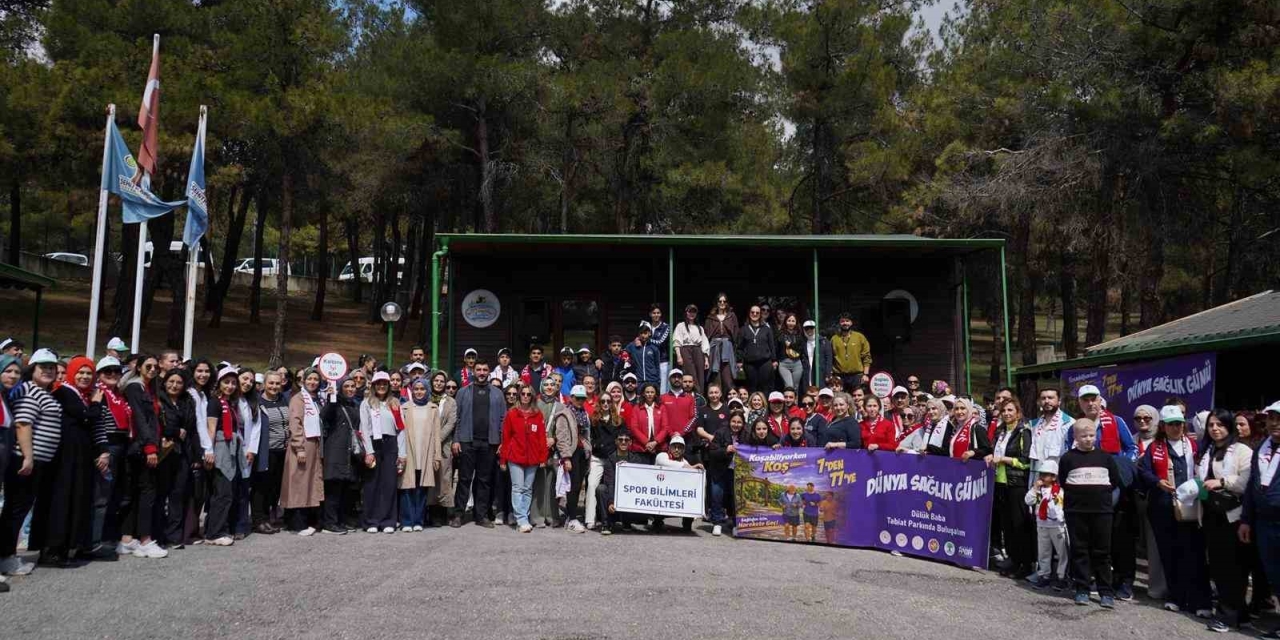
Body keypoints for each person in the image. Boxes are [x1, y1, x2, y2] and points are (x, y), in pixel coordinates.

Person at [1137, 405, 1211, 617]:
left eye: (1179, 423)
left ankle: (1200, 601)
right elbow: (1143, 471)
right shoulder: (1155, 447)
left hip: (1191, 507)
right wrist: (1158, 481)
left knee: (1194, 555)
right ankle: (1176, 596)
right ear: (1163, 426)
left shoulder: (1194, 445)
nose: (1176, 428)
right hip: (1163, 507)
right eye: (1171, 424)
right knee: (1169, 554)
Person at [40, 356, 107, 564]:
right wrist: (96, 404)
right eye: (81, 372)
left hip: (79, 457)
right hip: (65, 457)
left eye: (89, 373)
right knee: (62, 500)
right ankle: (53, 549)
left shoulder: (82, 395)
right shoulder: (65, 392)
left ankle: (67, 546)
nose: (85, 377)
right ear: (71, 373)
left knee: (75, 499)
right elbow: (84, 415)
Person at [1194, 409, 1253, 632]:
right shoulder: (1208, 450)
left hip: (1234, 517)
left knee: (1232, 569)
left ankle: (1227, 616)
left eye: (1220, 424)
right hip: (1211, 515)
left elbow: (1245, 482)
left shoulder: (1242, 451)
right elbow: (1202, 482)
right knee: (1220, 567)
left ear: (1229, 426)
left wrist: (1221, 481)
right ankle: (1242, 615)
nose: (1215, 429)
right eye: (1211, 425)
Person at [1058, 418, 1122, 607]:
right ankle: (1082, 589)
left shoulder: (1106, 457)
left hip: (1102, 511)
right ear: (1075, 437)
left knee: (1102, 551)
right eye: (1083, 436)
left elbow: (1115, 480)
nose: (1088, 439)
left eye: (1091, 435)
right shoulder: (1068, 458)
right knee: (1080, 550)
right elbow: (1063, 481)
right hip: (1075, 511)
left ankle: (1105, 592)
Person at [118, 354, 168, 556]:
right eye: (149, 366)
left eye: (156, 366)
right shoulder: (134, 388)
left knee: (139, 493)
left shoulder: (150, 389)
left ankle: (129, 538)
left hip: (146, 445)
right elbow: (141, 419)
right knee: (146, 492)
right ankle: (145, 539)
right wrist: (150, 447)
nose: (153, 369)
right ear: (138, 367)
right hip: (140, 448)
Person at [1239, 401, 1280, 633]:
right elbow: (1252, 489)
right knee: (1274, 575)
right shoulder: (1262, 449)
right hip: (1263, 524)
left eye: (1279, 419)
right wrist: (1246, 519)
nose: (1275, 423)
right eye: (1271, 418)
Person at [451, 361, 505, 528]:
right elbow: (456, 418)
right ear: (473, 371)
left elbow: (503, 419)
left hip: (489, 443)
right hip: (467, 441)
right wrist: (456, 440)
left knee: (484, 480)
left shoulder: (497, 394)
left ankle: (480, 515)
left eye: (485, 370)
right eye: (478, 369)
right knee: (464, 479)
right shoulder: (463, 392)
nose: (481, 372)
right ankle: (459, 514)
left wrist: (502, 441)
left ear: (489, 372)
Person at [989, 398, 1034, 579]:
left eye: (1010, 410)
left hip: (1017, 484)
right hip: (1000, 483)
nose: (1007, 413)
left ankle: (1025, 563)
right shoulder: (1000, 431)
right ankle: (1013, 560)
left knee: (1019, 525)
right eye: (1004, 410)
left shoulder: (1023, 432)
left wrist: (1005, 460)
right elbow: (995, 453)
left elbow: (1026, 461)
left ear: (1018, 412)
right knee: (1006, 525)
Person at [498, 383, 550, 533]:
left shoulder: (537, 414)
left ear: (532, 396)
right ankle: (521, 519)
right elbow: (506, 438)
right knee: (517, 488)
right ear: (519, 395)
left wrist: (543, 458)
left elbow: (542, 438)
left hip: (533, 459)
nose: (526, 396)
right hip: (515, 457)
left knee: (527, 489)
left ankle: (522, 516)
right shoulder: (512, 414)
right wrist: (503, 459)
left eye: (529, 394)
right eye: (523, 394)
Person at [153, 368, 195, 549]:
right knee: (160, 494)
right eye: (171, 381)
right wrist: (175, 431)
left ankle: (174, 535)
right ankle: (157, 533)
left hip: (182, 453)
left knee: (178, 495)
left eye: (179, 382)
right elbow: (157, 424)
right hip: (164, 452)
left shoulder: (187, 401)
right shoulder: (158, 400)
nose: (174, 385)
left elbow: (191, 427)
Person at [205, 367, 245, 546]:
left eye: (233, 383)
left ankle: (220, 527)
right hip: (221, 447)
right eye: (226, 382)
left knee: (228, 491)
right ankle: (214, 532)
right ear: (219, 384)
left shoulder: (231, 404)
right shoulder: (215, 402)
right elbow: (211, 428)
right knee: (222, 492)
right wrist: (209, 451)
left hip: (232, 447)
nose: (230, 386)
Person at [282, 369, 325, 536]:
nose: (313, 382)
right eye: (310, 379)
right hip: (302, 444)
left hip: (314, 443)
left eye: (316, 379)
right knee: (298, 482)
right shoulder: (298, 399)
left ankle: (309, 519)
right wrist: (299, 447)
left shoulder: (316, 399)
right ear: (303, 381)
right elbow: (295, 423)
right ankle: (296, 522)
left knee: (310, 482)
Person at [359, 371, 403, 534]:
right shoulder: (366, 403)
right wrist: (369, 451)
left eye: (385, 383)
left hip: (390, 445)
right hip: (373, 445)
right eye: (379, 383)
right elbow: (364, 427)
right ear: (374, 385)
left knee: (389, 483)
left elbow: (401, 430)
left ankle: (388, 520)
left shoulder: (395, 403)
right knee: (372, 484)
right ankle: (371, 520)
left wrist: (402, 453)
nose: (382, 386)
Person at [397, 378, 441, 531]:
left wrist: (437, 456)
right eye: (416, 389)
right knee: (407, 487)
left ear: (427, 390)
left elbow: (436, 434)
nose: (419, 392)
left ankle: (418, 520)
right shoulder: (405, 408)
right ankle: (407, 521)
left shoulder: (433, 408)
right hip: (409, 451)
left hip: (426, 453)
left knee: (422, 489)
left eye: (422, 389)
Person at [319, 376, 361, 534]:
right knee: (333, 489)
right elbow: (324, 416)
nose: (350, 389)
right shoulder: (335, 404)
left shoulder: (355, 405)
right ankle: (329, 522)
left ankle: (340, 520)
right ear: (341, 388)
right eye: (347, 386)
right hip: (336, 451)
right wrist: (332, 398)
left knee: (345, 488)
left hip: (350, 452)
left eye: (353, 386)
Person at [254, 371, 290, 535]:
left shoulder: (284, 400)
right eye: (271, 383)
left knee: (276, 486)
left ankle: (271, 516)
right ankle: (259, 519)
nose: (274, 386)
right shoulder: (258, 402)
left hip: (283, 450)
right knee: (261, 486)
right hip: (266, 451)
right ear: (264, 384)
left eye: (277, 383)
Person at [1025, 460, 1069, 591]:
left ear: (1054, 477)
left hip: (1057, 525)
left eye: (1046, 475)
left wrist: (1061, 519)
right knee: (1044, 551)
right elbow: (1028, 500)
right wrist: (1034, 489)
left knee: (1062, 552)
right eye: (1041, 474)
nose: (1043, 477)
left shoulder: (1059, 491)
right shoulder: (1038, 490)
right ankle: (1044, 575)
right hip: (1042, 524)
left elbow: (1062, 507)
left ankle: (1062, 576)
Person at [553, 385, 592, 533]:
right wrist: (566, 457)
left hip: (583, 452)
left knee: (577, 485)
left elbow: (587, 434)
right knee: (573, 486)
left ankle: (571, 517)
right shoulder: (564, 414)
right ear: (571, 398)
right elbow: (561, 437)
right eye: (577, 398)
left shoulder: (584, 414)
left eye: (583, 398)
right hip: (572, 452)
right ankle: (572, 518)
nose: (580, 401)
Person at [587, 390, 627, 531]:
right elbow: (589, 437)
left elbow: (624, 438)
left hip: (612, 459)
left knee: (612, 488)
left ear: (612, 403)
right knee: (592, 485)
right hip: (597, 458)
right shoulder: (593, 419)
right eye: (603, 401)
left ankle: (615, 519)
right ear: (599, 403)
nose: (605, 404)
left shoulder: (618, 420)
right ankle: (590, 520)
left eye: (608, 401)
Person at [705, 411, 746, 537]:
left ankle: (735, 524)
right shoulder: (721, 432)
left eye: (739, 422)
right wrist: (725, 450)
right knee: (717, 495)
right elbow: (712, 452)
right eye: (734, 421)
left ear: (743, 423)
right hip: (720, 470)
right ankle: (716, 523)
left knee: (735, 498)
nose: (736, 424)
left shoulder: (747, 435)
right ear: (729, 422)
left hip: (737, 472)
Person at [596, 431, 644, 535]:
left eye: (626, 440)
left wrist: (629, 467)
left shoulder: (636, 459)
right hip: (614, 492)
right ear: (616, 442)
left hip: (628, 494)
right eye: (620, 440)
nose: (623, 442)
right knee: (601, 488)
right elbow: (610, 482)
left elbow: (639, 481)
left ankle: (627, 521)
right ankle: (606, 524)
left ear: (630, 442)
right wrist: (611, 501)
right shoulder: (610, 459)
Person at [426, 371, 457, 526]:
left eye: (441, 381)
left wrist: (436, 439)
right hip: (424, 444)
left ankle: (442, 512)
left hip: (443, 446)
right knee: (429, 478)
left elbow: (451, 423)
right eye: (436, 380)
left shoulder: (450, 402)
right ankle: (430, 513)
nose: (438, 383)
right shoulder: (424, 398)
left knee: (443, 479)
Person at [653, 434, 702, 532]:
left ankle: (687, 523)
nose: (676, 450)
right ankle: (657, 521)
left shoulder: (685, 461)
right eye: (674, 447)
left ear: (683, 450)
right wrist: (686, 467)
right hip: (661, 492)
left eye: (679, 448)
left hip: (676, 494)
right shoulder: (662, 456)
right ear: (669, 448)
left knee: (691, 497)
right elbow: (665, 463)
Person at [704, 293, 739, 392]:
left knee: (727, 375)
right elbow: (706, 335)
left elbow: (736, 333)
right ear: (716, 303)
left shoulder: (731, 316)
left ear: (727, 303)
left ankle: (729, 399)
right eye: (720, 301)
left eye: (724, 301)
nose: (722, 303)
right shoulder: (710, 317)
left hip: (727, 347)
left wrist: (735, 348)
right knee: (715, 374)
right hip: (714, 347)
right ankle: (715, 399)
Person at [737, 305, 776, 393]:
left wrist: (774, 360)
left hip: (765, 362)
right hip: (749, 364)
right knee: (752, 387)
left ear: (760, 314)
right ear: (749, 314)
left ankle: (765, 406)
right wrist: (739, 360)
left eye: (757, 312)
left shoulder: (766, 329)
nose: (755, 314)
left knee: (765, 387)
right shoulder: (743, 329)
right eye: (752, 312)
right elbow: (739, 347)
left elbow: (772, 345)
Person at [673, 305, 710, 395]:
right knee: (690, 373)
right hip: (685, 349)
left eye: (694, 312)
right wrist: (679, 356)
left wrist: (706, 359)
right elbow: (677, 341)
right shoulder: (681, 326)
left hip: (698, 350)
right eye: (690, 311)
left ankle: (701, 396)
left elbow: (704, 343)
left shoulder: (699, 328)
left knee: (700, 374)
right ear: (686, 313)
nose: (691, 314)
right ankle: (694, 394)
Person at [627, 383, 667, 462]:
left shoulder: (662, 407)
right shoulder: (637, 408)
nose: (650, 394)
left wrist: (655, 442)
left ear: (655, 394)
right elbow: (634, 428)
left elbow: (665, 427)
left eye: (652, 392)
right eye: (647, 392)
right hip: (641, 448)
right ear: (643, 394)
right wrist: (647, 442)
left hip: (658, 447)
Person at [830, 313, 871, 390]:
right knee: (840, 399)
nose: (845, 323)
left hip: (857, 376)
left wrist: (866, 374)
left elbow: (867, 357)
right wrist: (831, 374)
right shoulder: (834, 339)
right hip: (839, 376)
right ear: (839, 323)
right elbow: (830, 358)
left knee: (857, 399)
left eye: (847, 321)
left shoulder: (859, 337)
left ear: (851, 323)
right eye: (842, 321)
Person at [625, 322, 662, 389]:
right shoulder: (633, 346)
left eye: (645, 333)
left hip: (652, 380)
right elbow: (623, 352)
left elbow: (657, 365)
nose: (643, 335)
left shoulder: (654, 348)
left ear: (649, 333)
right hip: (639, 380)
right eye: (641, 333)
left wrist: (658, 380)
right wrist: (628, 360)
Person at [776, 314, 805, 392]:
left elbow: (801, 348)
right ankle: (788, 403)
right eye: (789, 321)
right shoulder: (780, 334)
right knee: (789, 386)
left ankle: (795, 404)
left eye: (793, 321)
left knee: (796, 387)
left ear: (796, 323)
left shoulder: (799, 335)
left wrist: (791, 345)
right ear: (785, 322)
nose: (791, 323)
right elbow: (776, 348)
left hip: (797, 364)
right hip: (784, 364)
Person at [800, 320, 832, 392]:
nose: (809, 330)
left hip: (821, 372)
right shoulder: (803, 342)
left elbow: (829, 358)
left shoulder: (823, 341)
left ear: (815, 328)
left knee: (821, 391)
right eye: (806, 328)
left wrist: (828, 374)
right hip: (807, 372)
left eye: (811, 328)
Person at [647, 304, 671, 393]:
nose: (656, 315)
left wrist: (647, 339)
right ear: (650, 314)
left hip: (662, 361)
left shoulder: (665, 327)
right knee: (650, 386)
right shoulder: (647, 326)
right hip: (649, 361)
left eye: (658, 313)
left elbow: (661, 342)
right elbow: (639, 338)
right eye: (654, 313)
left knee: (663, 387)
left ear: (661, 314)